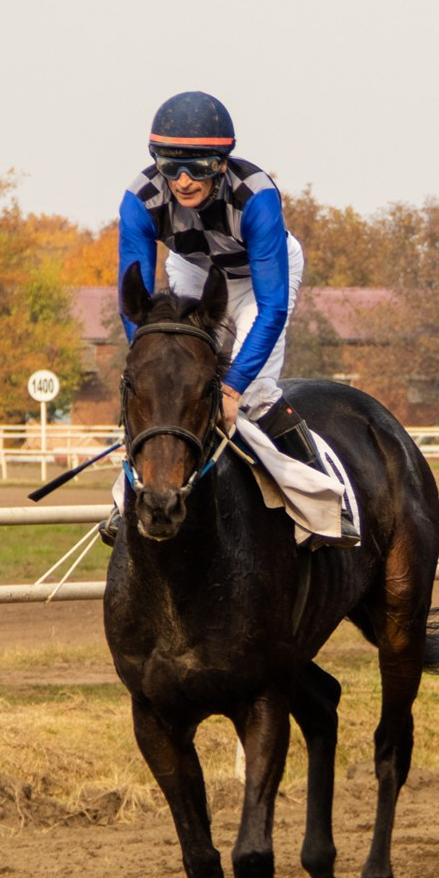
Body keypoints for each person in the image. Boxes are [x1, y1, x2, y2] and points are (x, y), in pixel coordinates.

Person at [102, 91, 330, 545]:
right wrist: (149, 362)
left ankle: (320, 499)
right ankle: (124, 502)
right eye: (170, 167)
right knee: (165, 387)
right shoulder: (138, 201)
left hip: (259, 280)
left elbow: (272, 308)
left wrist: (232, 385)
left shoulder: (257, 197)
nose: (184, 181)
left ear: (222, 163)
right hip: (193, 270)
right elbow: (137, 305)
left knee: (253, 395)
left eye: (199, 167)